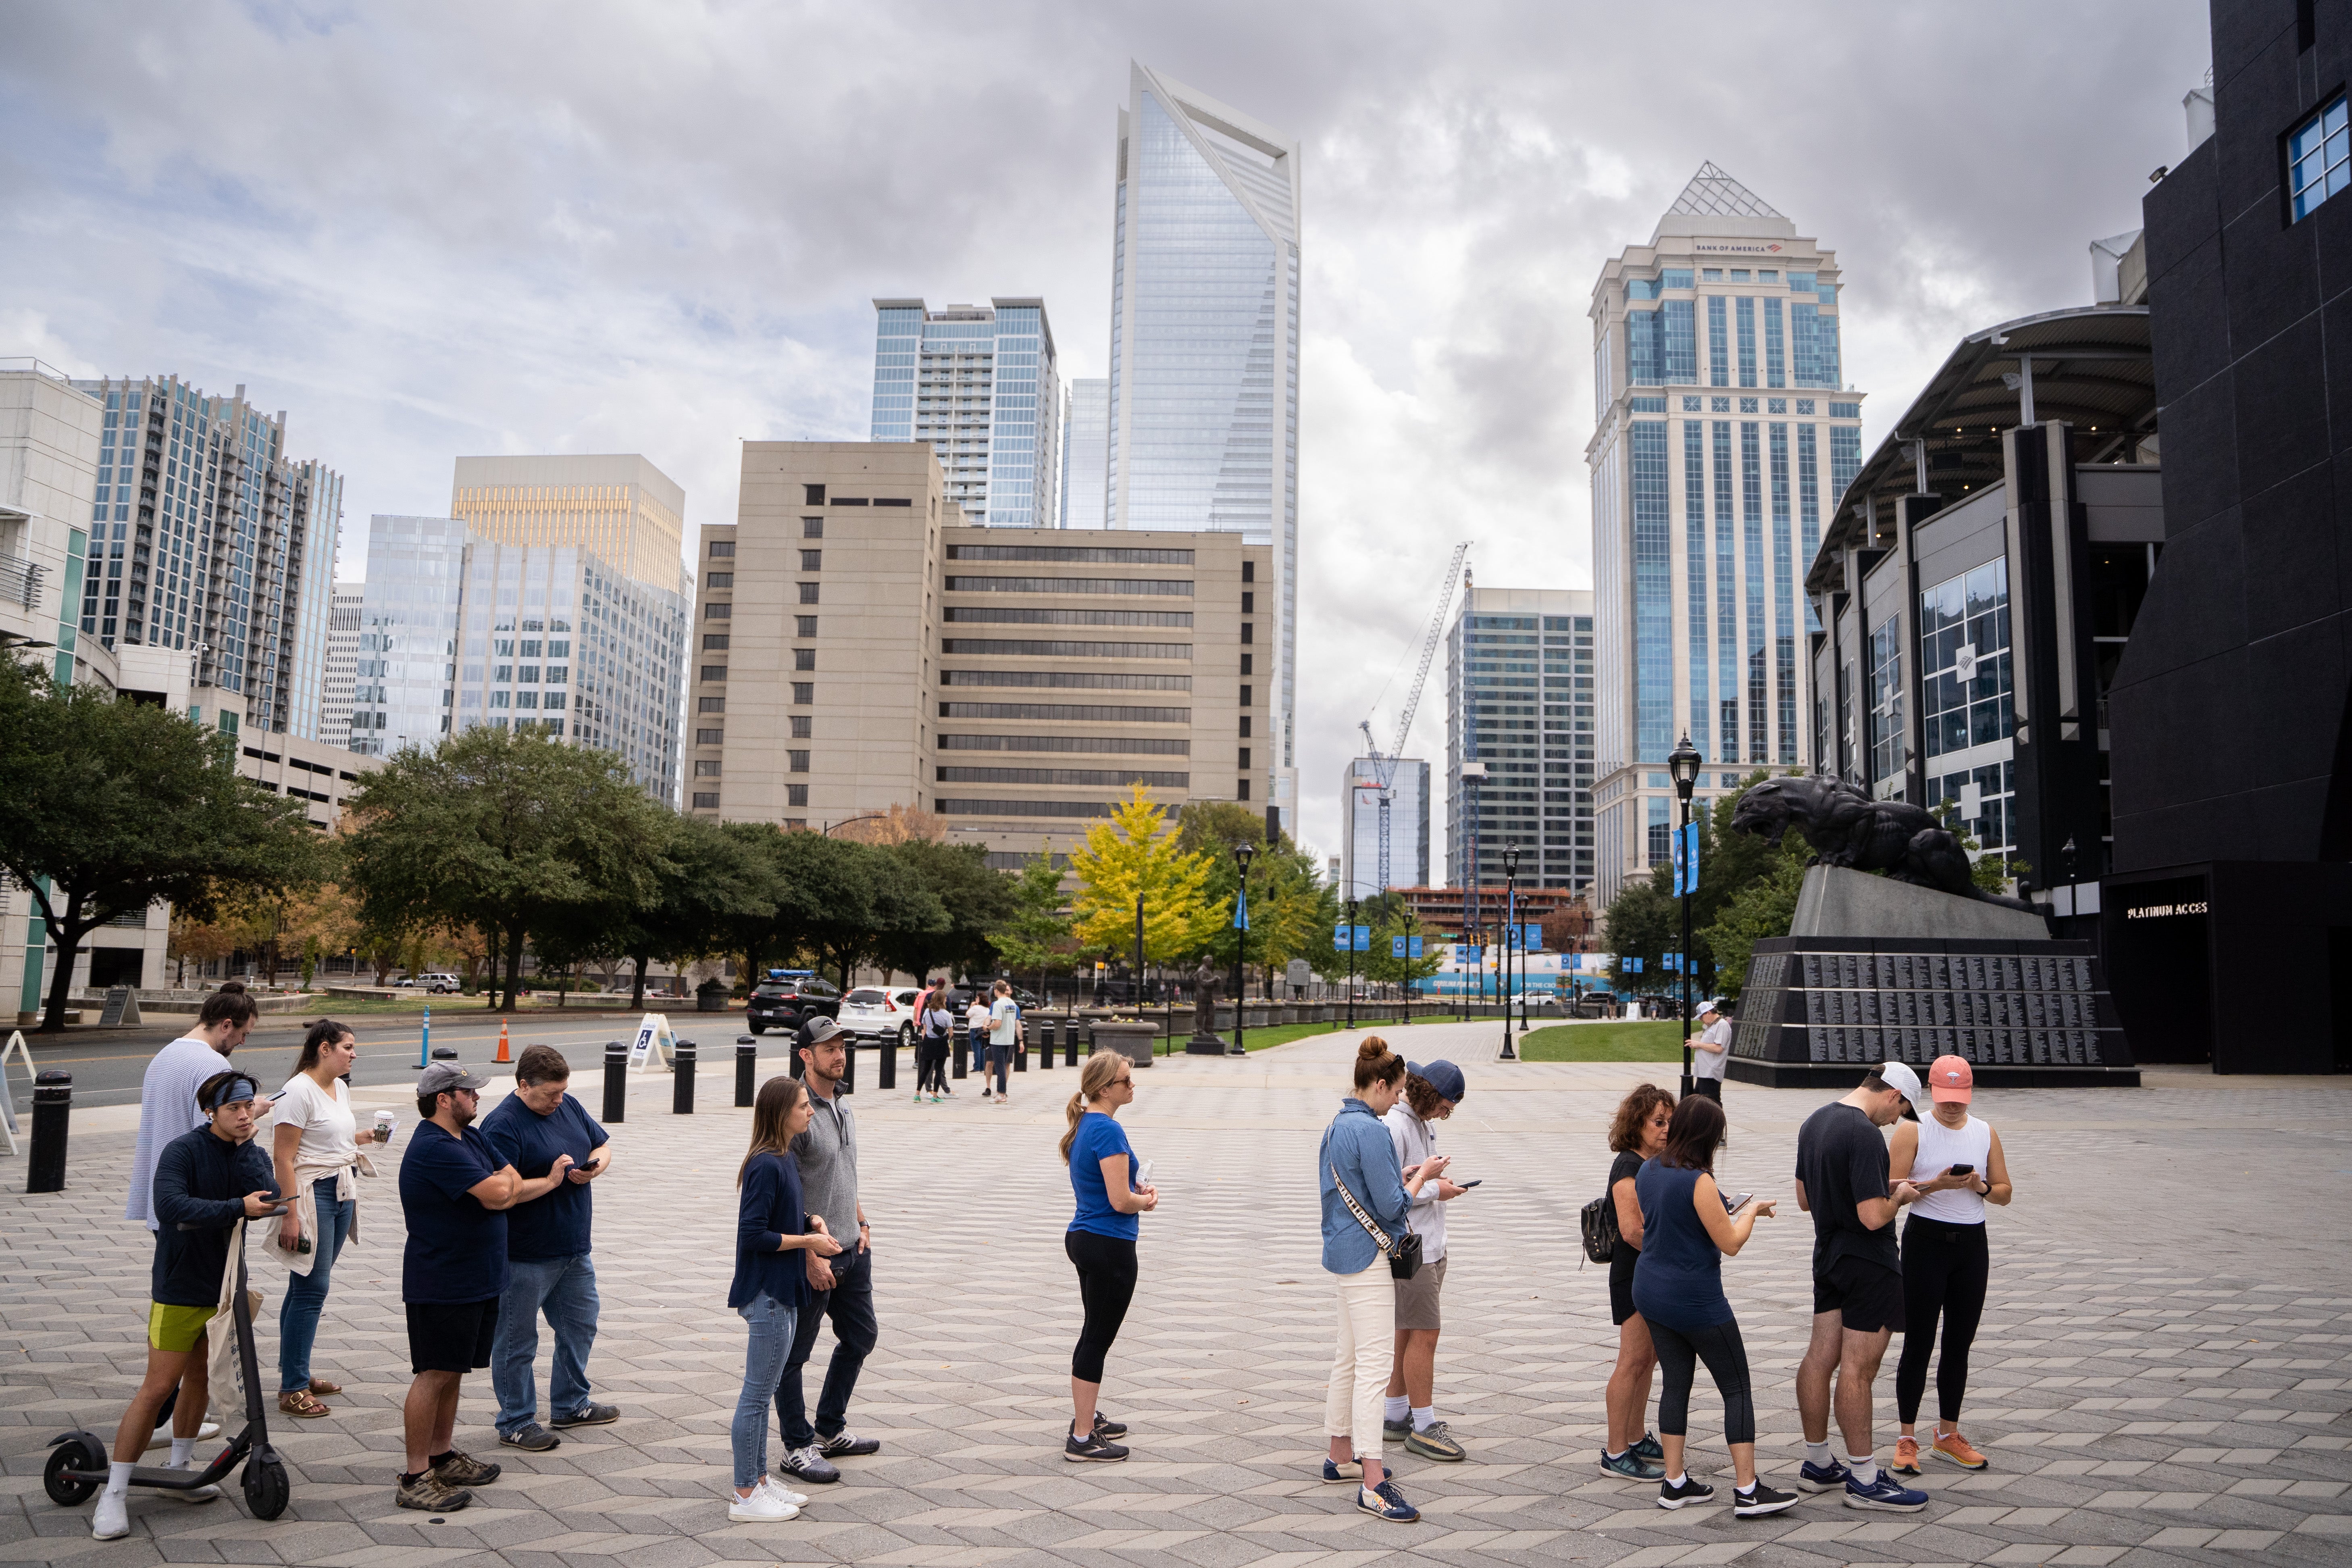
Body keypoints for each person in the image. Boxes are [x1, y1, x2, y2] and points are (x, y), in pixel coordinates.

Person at [89, 1070, 278, 1541]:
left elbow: (269, 1196)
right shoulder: (183, 1150)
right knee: (158, 1386)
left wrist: (249, 1149)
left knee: (200, 1379)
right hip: (179, 1287)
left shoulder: (247, 1150)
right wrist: (236, 1207)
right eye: (233, 1108)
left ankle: (179, 1468)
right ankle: (113, 1492)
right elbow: (170, 1206)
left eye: (248, 1106)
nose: (244, 1114)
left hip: (224, 1288)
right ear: (210, 1111)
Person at [395, 1062, 570, 1514]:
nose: (476, 1097)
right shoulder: (434, 1146)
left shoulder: (469, 1137)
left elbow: (510, 1183)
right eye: (468, 1092)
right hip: (443, 1279)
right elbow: (499, 1194)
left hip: (477, 1276)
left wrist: (513, 1185)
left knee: (453, 1370)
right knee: (434, 1372)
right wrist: (504, 1187)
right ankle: (415, 1477)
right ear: (443, 1099)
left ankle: (442, 1455)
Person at [1631, 1096, 1796, 1516]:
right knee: (1736, 1387)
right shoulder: (1698, 1180)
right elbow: (1731, 1242)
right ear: (1708, 1136)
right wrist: (1751, 1211)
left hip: (1650, 1291)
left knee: (1675, 1382)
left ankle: (1674, 1483)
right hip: (1695, 1300)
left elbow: (1676, 1215)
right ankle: (1748, 1491)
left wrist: (1729, 1208)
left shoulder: (1648, 1169)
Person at [124, 983, 260, 1447]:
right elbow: (213, 1131)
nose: (242, 1042)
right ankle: (164, 1419)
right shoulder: (212, 1065)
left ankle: (172, 1418)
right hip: (197, 1207)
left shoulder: (167, 1054)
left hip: (165, 1199)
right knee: (194, 1334)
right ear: (226, 1024)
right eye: (242, 1033)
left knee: (187, 1337)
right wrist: (252, 1116)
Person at [1319, 1037, 1448, 1524]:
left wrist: (1401, 1174)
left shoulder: (1337, 1124)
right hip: (1370, 1256)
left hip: (1342, 1251)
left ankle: (1340, 1454)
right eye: (1395, 1092)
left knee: (1347, 1358)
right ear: (1378, 1084)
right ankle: (1372, 1482)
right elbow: (1393, 1206)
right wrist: (1421, 1177)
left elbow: (1348, 1189)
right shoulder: (1371, 1130)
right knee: (1373, 1369)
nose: (1397, 1100)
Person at [1793, 1061, 1932, 1512]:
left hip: (1828, 1256)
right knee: (1858, 1371)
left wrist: (1878, 1185)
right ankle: (1865, 1479)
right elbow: (1873, 1217)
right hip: (1869, 1263)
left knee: (1819, 1358)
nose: (1896, 1122)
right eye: (1901, 1111)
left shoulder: (1815, 1120)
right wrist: (1900, 1196)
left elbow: (1805, 1198)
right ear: (1893, 1094)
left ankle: (1818, 1463)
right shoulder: (1865, 1133)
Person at [481, 1045, 619, 1453]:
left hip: (573, 1248)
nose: (558, 1100)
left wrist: (594, 1167)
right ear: (524, 1085)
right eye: (550, 1094)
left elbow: (603, 1145)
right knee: (517, 1341)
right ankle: (516, 1421)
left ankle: (570, 1403)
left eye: (562, 1091)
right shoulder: (502, 1125)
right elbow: (498, 1192)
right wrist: (552, 1181)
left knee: (580, 1326)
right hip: (524, 1253)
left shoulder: (568, 1105)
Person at [1889, 1055, 2013, 1476]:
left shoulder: (1984, 1131)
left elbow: (2004, 1192)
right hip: (1925, 1242)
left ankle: (1947, 1433)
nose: (1953, 1105)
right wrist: (1935, 1184)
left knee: (1959, 1343)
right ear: (1931, 1091)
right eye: (1945, 1097)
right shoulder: (1913, 1129)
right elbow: (1890, 1189)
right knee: (1918, 1342)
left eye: (1959, 1097)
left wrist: (1980, 1186)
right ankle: (1906, 1437)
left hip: (1971, 1246)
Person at [727, 1074, 843, 1521]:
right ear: (780, 1113)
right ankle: (745, 1494)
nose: (810, 1112)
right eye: (802, 1106)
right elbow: (753, 1234)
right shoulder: (765, 1164)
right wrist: (809, 1243)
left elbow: (783, 1209)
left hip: (783, 1290)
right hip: (768, 1293)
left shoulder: (782, 1157)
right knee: (756, 1396)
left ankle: (759, 1480)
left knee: (765, 1390)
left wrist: (811, 1221)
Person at [775, 1018, 880, 1485]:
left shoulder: (841, 1101)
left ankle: (829, 1428)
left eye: (842, 1047)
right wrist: (808, 1255)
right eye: (829, 1048)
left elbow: (844, 1170)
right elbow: (786, 1192)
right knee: (794, 1354)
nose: (839, 1055)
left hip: (852, 1247)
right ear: (806, 1055)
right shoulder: (795, 1111)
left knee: (861, 1336)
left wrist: (861, 1221)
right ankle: (796, 1447)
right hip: (815, 1254)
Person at [269, 1018, 385, 1419]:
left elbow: (330, 1137)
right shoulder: (297, 1091)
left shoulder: (339, 1087)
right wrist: (290, 1214)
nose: (354, 1054)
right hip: (312, 1193)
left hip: (342, 1188)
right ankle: (293, 1388)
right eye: (348, 1047)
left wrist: (364, 1137)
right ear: (324, 1048)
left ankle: (295, 1371)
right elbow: (283, 1156)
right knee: (312, 1288)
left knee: (304, 1284)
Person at [1061, 1049, 1156, 1460]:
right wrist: (1146, 1200)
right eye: (1125, 1080)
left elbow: (1105, 1189)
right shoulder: (1108, 1130)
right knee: (1097, 1339)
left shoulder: (1087, 1123)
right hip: (1108, 1244)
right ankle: (1082, 1438)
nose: (1132, 1085)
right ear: (1104, 1089)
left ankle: (1086, 1417)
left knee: (1092, 1332)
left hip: (1085, 1237)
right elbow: (1120, 1201)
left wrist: (1134, 1191)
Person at [1381, 1059, 1470, 1463]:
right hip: (1411, 1246)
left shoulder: (1421, 1122)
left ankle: (1395, 1412)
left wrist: (1437, 1183)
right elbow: (1390, 1193)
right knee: (1426, 1333)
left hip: (1429, 1243)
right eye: (1442, 1106)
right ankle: (1424, 1424)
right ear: (1428, 1094)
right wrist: (1436, 1189)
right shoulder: (1395, 1126)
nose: (1442, 1115)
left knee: (1408, 1328)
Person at [1602, 1083, 1676, 1481]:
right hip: (1634, 1273)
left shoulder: (1655, 1162)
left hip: (1652, 1270)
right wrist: (1677, 1248)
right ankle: (1615, 1452)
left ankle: (1633, 1436)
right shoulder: (1628, 1166)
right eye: (1658, 1122)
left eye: (1670, 1122)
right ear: (1637, 1123)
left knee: (1647, 1359)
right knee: (1631, 1361)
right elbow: (1632, 1231)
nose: (1666, 1129)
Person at [985, 979, 1020, 1103]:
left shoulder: (998, 1004)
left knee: (999, 1067)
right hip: (1009, 1039)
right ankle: (1001, 1092)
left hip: (998, 1040)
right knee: (1004, 1066)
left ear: (996, 990)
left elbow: (997, 1023)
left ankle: (1001, 1094)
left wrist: (988, 1028)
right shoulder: (1012, 1003)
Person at [1690, 1002, 1731, 1103]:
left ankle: (1718, 1115)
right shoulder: (1712, 1025)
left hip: (1711, 1072)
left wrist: (1699, 1045)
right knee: (1699, 1102)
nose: (1701, 1020)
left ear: (1708, 1013)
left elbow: (1719, 1048)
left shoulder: (1722, 1025)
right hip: (1704, 1072)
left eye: (1701, 1017)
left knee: (1712, 1103)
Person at [916, 993, 954, 1102]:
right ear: (942, 1000)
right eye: (945, 999)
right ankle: (935, 1097)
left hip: (929, 1042)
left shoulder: (927, 1012)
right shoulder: (946, 1014)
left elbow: (924, 1027)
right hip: (941, 1043)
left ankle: (917, 1095)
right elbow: (951, 1032)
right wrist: (947, 1040)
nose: (946, 1001)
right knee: (939, 1070)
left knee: (926, 1070)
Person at [965, 990, 990, 1083]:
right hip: (983, 1029)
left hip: (974, 1029)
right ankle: (982, 1067)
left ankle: (977, 1067)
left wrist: (971, 1006)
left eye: (977, 998)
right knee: (982, 1048)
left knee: (976, 1049)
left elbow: (968, 1015)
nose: (975, 999)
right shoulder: (987, 1009)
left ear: (979, 1000)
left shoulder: (975, 1008)